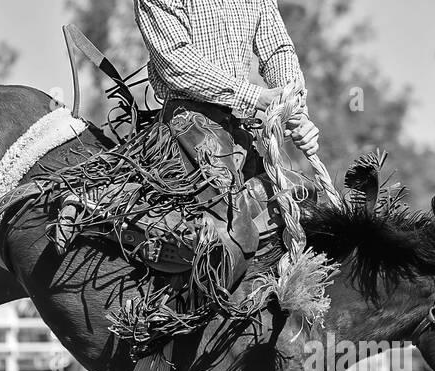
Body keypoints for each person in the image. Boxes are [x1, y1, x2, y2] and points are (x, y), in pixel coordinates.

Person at [134, 0, 319, 255]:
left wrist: (294, 109)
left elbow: (277, 50)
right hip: (189, 125)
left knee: (303, 201)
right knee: (230, 238)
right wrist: (255, 97)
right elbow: (176, 62)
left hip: (240, 128)